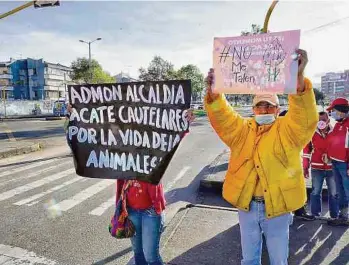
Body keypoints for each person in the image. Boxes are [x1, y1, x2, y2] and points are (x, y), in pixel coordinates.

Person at [205, 49, 318, 265]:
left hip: (278, 209)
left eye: (269, 105)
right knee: (249, 259)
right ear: (253, 109)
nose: (264, 108)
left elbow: (304, 115)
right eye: (260, 105)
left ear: (278, 110)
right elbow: (223, 117)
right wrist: (214, 94)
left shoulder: (289, 130)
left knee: (278, 260)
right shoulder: (241, 130)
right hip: (247, 206)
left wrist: (297, 79)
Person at [116, 110, 194, 265]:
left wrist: (184, 123)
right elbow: (92, 140)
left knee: (151, 256)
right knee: (138, 253)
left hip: (151, 211)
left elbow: (170, 140)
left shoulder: (154, 147)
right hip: (131, 210)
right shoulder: (122, 150)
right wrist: (74, 117)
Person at [279, 110, 315, 221]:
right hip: (280, 168)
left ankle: (300, 211)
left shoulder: (298, 132)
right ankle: (284, 213)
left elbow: (307, 149)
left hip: (295, 167)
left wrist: (305, 166)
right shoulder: (276, 132)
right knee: (282, 192)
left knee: (298, 189)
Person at [303, 111, 339, 219]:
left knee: (334, 193)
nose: (321, 123)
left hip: (332, 168)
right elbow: (306, 151)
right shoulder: (311, 133)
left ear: (328, 120)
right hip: (316, 168)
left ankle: (335, 216)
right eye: (318, 120)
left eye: (323, 120)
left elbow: (340, 149)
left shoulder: (335, 131)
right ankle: (315, 215)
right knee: (315, 192)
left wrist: (331, 157)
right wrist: (305, 167)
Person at [327, 98, 349, 226]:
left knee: (347, 191)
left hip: (344, 164)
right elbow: (333, 142)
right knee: (341, 191)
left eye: (333, 110)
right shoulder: (338, 124)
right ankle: (343, 216)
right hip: (336, 162)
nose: (332, 113)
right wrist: (329, 155)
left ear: (341, 110)